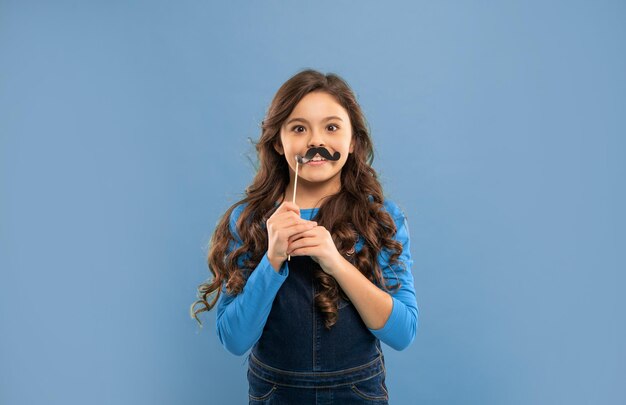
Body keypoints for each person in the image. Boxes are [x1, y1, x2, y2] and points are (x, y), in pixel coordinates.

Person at [191, 69, 419, 404]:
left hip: (357, 393)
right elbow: (235, 340)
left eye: (331, 127)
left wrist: (336, 263)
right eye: (299, 128)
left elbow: (402, 333)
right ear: (279, 143)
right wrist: (272, 259)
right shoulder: (249, 221)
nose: (316, 142)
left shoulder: (380, 218)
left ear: (353, 141)